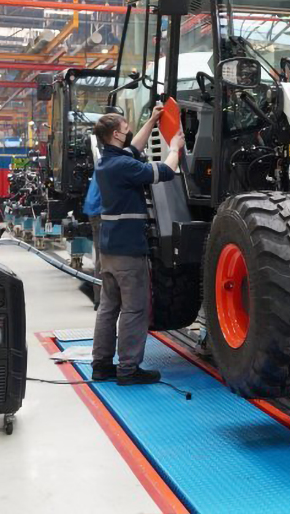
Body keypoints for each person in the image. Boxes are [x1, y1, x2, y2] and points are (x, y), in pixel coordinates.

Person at [91, 104, 185, 385]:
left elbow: (134, 147)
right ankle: (129, 369)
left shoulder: (107, 161)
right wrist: (176, 147)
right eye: (125, 128)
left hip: (108, 250)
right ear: (117, 135)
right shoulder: (125, 167)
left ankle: (101, 365)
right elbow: (167, 172)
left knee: (109, 307)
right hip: (128, 250)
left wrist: (153, 120)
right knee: (135, 308)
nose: (129, 130)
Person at [79, 173, 102, 308]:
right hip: (99, 211)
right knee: (103, 257)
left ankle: (97, 294)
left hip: (94, 208)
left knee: (101, 256)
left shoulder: (104, 161)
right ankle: (99, 298)